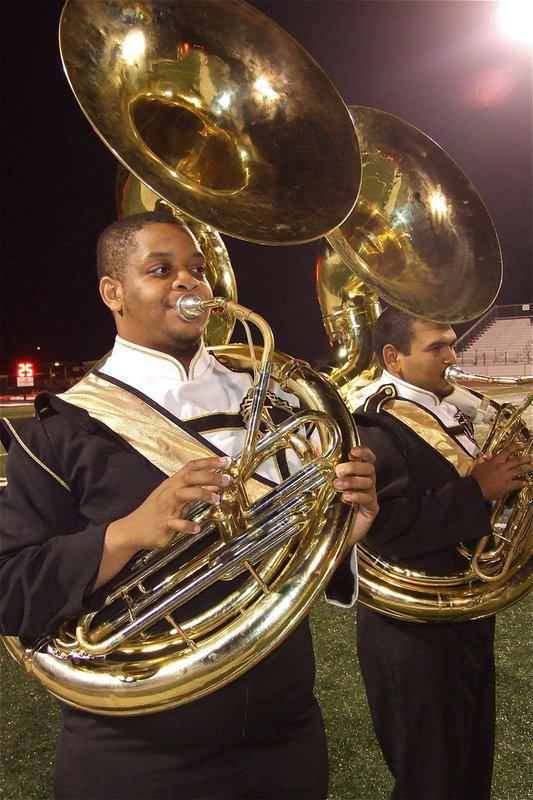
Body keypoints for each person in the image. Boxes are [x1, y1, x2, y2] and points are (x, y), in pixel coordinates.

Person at [0, 210, 378, 800]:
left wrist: (342, 531)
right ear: (113, 293)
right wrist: (125, 534)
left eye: (197, 270)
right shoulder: (61, 429)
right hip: (139, 751)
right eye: (161, 270)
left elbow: (287, 555)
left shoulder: (273, 403)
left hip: (285, 729)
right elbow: (11, 589)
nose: (189, 283)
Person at [348, 306, 533, 800]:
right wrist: (479, 491)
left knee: (470, 768)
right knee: (432, 780)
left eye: (452, 343)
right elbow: (383, 529)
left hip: (463, 613)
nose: (452, 356)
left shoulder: (445, 409)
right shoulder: (376, 425)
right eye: (436, 347)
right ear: (394, 356)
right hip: (414, 634)